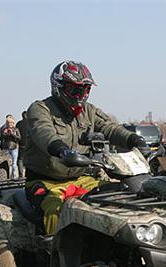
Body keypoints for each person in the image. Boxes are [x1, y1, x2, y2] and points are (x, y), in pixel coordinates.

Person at [24, 60, 146, 235]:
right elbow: (43, 132)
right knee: (56, 210)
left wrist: (136, 140)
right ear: (58, 87)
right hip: (46, 182)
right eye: (75, 89)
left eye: (85, 89)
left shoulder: (89, 111)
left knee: (122, 195)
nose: (81, 95)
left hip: (81, 179)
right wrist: (62, 150)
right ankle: (55, 255)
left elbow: (110, 128)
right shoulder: (40, 109)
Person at [0, 114, 21, 179]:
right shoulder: (4, 129)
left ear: (13, 123)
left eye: (10, 123)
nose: (9, 124)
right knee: (7, 164)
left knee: (14, 164)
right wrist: (4, 134)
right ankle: (8, 177)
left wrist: (12, 134)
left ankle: (14, 177)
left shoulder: (16, 129)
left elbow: (19, 138)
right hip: (6, 148)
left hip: (14, 148)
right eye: (8, 123)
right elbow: (0, 138)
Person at [16, 111, 29, 178]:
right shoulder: (31, 123)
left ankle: (21, 175)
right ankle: (28, 174)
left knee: (20, 159)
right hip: (29, 144)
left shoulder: (19, 123)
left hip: (21, 144)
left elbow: (16, 134)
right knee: (29, 159)